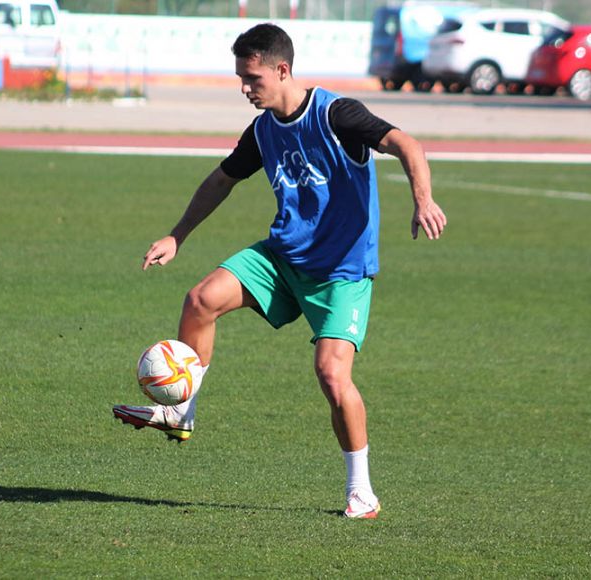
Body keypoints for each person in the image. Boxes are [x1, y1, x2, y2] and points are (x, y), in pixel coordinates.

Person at [114, 23, 447, 519]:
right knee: (201, 300)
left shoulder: (337, 114)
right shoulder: (264, 129)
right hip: (282, 257)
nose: (245, 89)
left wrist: (423, 199)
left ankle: (361, 490)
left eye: (252, 78)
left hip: (341, 272)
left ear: (282, 69)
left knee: (333, 377)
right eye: (240, 79)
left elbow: (407, 144)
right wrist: (176, 235)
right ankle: (180, 411)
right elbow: (221, 180)